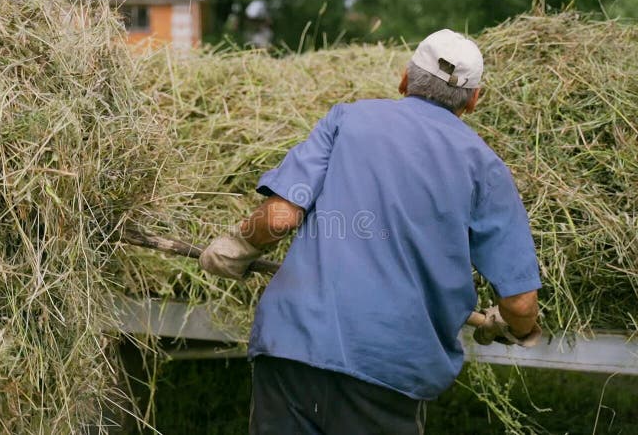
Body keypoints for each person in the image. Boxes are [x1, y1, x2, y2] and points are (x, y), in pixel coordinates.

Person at [199, 29, 542, 435]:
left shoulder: (347, 118)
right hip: (388, 368)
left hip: (292, 347)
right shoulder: (485, 167)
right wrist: (514, 328)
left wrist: (235, 247)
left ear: (404, 79)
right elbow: (521, 303)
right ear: (473, 99)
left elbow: (278, 219)